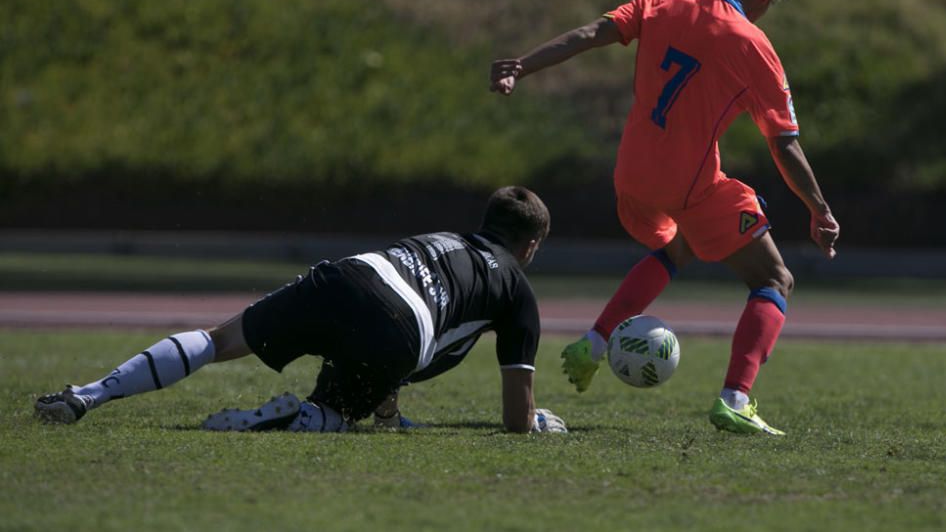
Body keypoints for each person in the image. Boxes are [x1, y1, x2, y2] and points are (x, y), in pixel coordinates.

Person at [489, 0, 839, 436]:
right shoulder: (754, 46)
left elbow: (589, 33)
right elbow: (784, 145)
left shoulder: (659, 3)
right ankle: (736, 399)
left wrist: (522, 65)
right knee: (774, 279)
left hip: (631, 176)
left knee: (680, 249)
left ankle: (594, 341)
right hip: (689, 184)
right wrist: (819, 209)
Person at [34, 186, 568, 435]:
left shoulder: (439, 238)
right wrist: (537, 421)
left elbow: (393, 296)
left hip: (350, 273)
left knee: (219, 341)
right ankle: (302, 414)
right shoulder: (517, 290)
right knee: (333, 414)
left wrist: (388, 414)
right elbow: (514, 419)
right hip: (400, 330)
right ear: (531, 246)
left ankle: (89, 394)